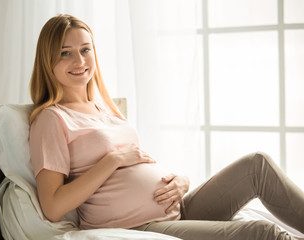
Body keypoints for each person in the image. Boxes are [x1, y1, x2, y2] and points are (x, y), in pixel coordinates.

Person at [29, 14, 304, 240]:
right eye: (65, 53)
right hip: (137, 225)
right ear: (48, 59)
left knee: (258, 165)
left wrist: (181, 181)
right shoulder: (52, 119)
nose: (79, 61)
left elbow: (138, 167)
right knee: (261, 233)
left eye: (85, 49)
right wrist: (112, 160)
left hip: (177, 208)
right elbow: (53, 207)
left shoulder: (105, 108)